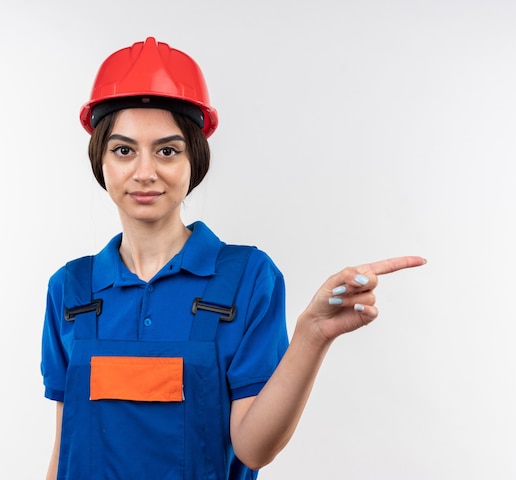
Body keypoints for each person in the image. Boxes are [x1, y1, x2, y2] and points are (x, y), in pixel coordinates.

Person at [40, 37, 426, 480]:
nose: (144, 172)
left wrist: (312, 335)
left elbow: (253, 448)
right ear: (101, 162)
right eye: (124, 150)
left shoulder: (246, 278)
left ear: (194, 161)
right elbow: (64, 449)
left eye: (167, 150)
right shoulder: (70, 288)